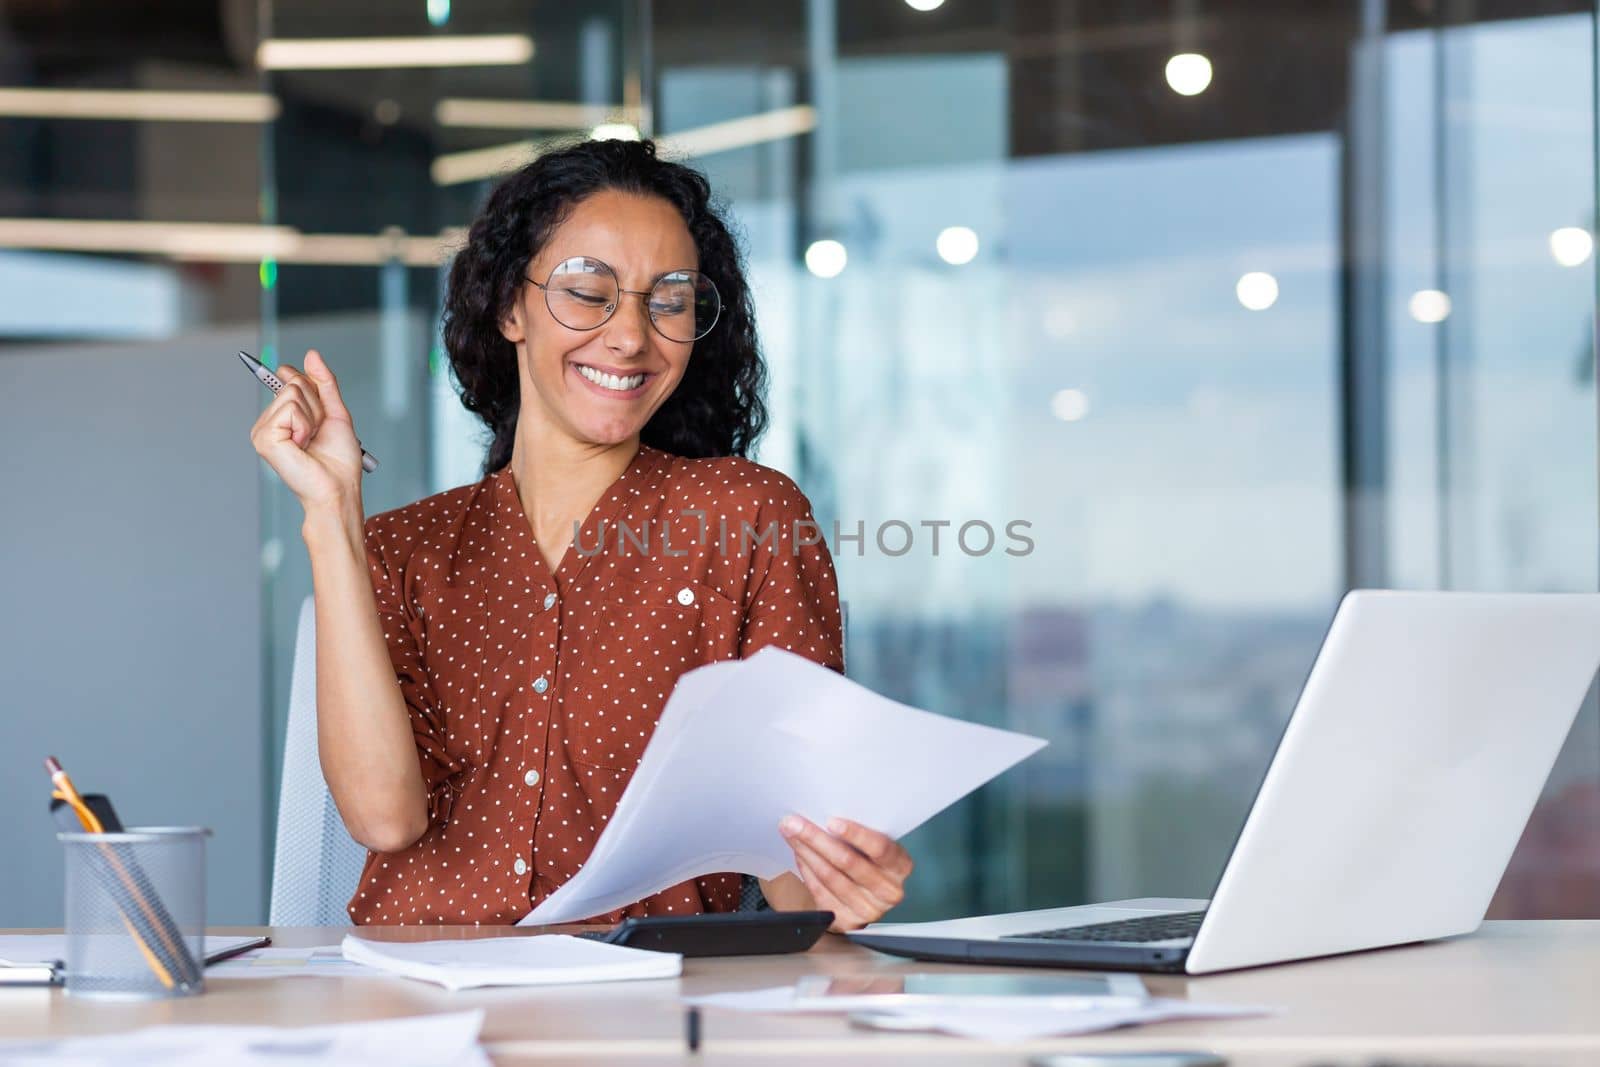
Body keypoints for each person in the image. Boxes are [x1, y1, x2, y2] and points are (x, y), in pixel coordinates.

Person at [249, 138, 913, 928]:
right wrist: (332, 516)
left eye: (667, 301)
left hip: (647, 1012)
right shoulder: (402, 551)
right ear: (509, 307)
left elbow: (798, 879)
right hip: (421, 1001)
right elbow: (385, 820)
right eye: (588, 291)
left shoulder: (748, 518)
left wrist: (849, 884)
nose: (631, 335)